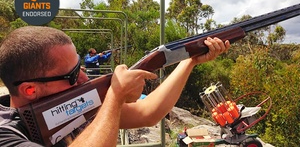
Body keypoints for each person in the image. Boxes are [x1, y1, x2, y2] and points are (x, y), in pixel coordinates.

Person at [0, 26, 230, 146]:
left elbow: (147, 113)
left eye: (80, 67)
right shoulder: (6, 135)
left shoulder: (68, 108)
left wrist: (190, 61)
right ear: (30, 89)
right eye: (71, 75)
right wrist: (115, 97)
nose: (83, 78)